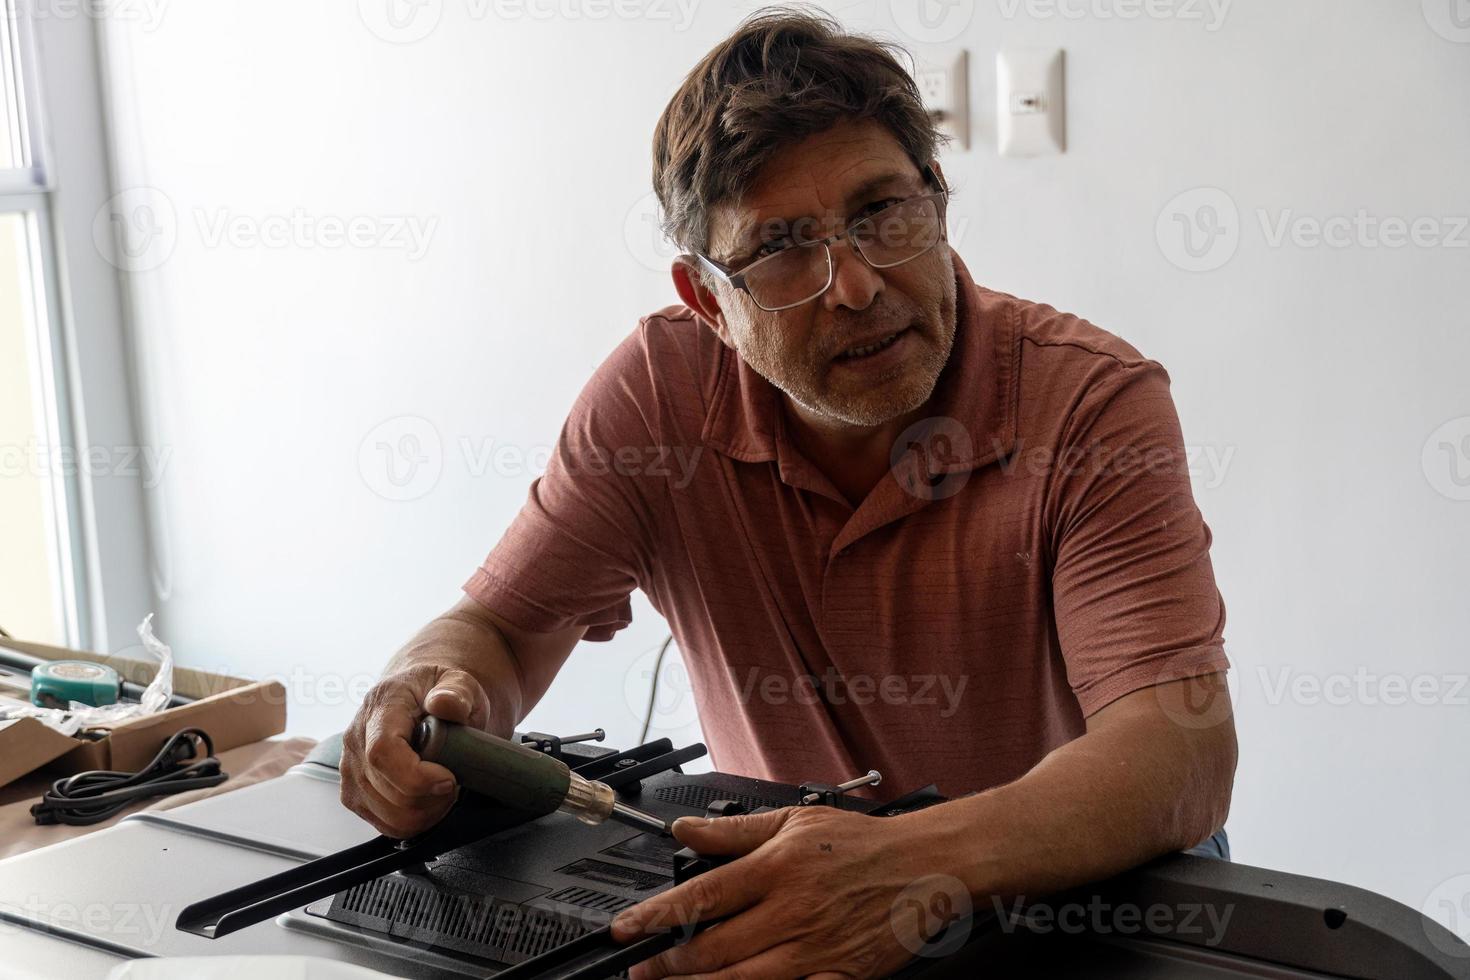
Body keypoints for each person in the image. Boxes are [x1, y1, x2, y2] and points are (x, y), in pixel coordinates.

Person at [340, 8, 1237, 977]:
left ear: (937, 198)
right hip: (796, 918)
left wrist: (902, 868)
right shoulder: (656, 395)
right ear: (705, 302)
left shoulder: (1091, 404)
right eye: (781, 250)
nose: (855, 284)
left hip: (1077, 918)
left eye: (883, 212)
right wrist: (426, 683)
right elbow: (505, 632)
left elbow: (1175, 755)